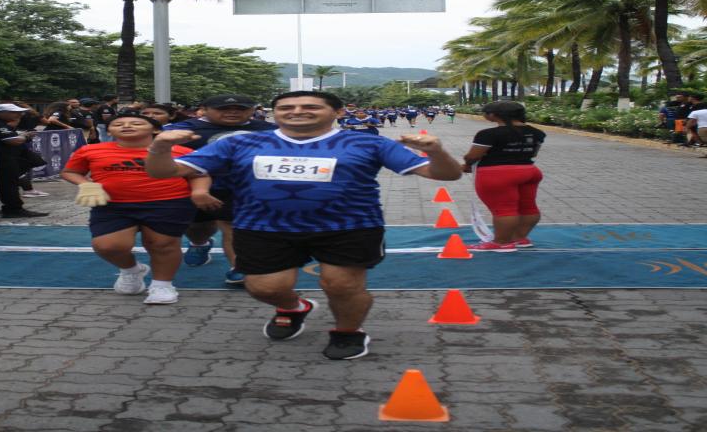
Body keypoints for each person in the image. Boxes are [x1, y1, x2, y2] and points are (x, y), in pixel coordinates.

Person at [145, 91, 463, 360]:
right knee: (264, 287)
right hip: (262, 227)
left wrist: (436, 151)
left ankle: (348, 332)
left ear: (337, 112)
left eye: (310, 107)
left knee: (341, 285)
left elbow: (447, 176)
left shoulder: (367, 143)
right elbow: (163, 173)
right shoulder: (241, 143)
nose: (297, 112)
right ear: (272, 113)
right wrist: (160, 147)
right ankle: (294, 307)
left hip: (349, 226)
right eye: (286, 108)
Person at [60, 115, 212, 304]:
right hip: (112, 205)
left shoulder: (180, 150)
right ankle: (131, 270)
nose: (127, 126)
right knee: (107, 246)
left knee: (162, 244)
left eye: (136, 123)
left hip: (169, 202)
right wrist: (85, 184)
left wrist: (200, 191)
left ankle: (162, 285)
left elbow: (199, 173)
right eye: (118, 124)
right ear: (109, 131)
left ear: (155, 130)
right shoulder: (90, 150)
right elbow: (70, 171)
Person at [163, 94, 277, 285]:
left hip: (245, 187)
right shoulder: (182, 130)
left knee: (233, 227)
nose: (232, 112)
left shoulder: (269, 130)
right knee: (197, 227)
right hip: (192, 183)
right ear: (204, 109)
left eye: (241, 109)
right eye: (223, 109)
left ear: (252, 110)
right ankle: (200, 243)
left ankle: (239, 268)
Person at [462, 101, 546, 251]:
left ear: (493, 115)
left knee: (504, 209)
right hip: (529, 171)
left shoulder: (488, 134)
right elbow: (533, 153)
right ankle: (520, 238)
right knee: (528, 207)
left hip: (497, 174)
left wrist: (467, 164)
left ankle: (501, 242)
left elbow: (473, 156)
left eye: (486, 113)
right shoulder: (537, 132)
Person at [0, 104, 50, 219]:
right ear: (0, 113)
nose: (19, 114)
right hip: (3, 159)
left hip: (6, 157)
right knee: (9, 184)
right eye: (13, 112)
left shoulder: (1, 124)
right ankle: (13, 209)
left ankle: (12, 207)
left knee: (9, 183)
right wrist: (26, 136)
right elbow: (12, 141)